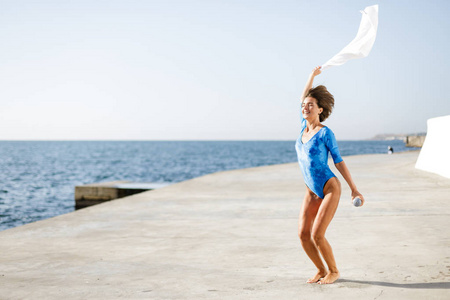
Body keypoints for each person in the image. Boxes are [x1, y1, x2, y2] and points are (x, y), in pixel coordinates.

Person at [295, 66, 365, 284]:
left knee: (317, 234)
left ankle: (334, 271)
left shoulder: (325, 133)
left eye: (311, 105)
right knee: (303, 236)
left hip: (329, 187)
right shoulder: (302, 128)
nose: (306, 107)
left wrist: (353, 188)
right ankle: (321, 269)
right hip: (311, 191)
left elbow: (338, 161)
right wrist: (311, 77)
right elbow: (302, 97)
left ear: (320, 110)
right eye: (304, 105)